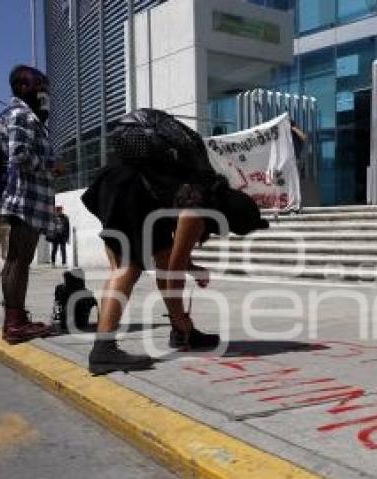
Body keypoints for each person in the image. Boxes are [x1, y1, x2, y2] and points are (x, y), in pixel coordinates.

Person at [81, 109, 267, 375]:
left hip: (134, 189)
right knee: (127, 268)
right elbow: (174, 272)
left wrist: (192, 266)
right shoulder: (198, 208)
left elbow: (173, 260)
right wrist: (180, 311)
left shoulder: (206, 190)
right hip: (128, 189)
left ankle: (182, 334)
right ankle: (103, 350)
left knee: (161, 257)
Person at [0, 65, 56, 344]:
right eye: (39, 85)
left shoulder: (23, 115)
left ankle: (15, 319)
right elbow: (19, 155)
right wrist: (51, 166)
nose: (44, 91)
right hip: (25, 199)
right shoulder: (20, 114)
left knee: (15, 260)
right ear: (22, 86)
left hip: (22, 199)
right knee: (20, 261)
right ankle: (15, 323)